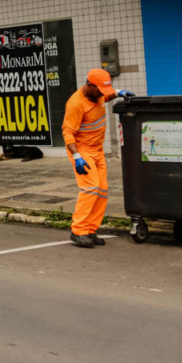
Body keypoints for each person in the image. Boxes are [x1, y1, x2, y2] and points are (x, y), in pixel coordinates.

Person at [63, 68, 134, 248]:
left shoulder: (97, 94)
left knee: (101, 191)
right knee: (90, 188)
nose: (103, 95)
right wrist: (77, 156)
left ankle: (90, 230)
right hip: (82, 151)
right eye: (100, 91)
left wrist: (118, 93)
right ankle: (78, 231)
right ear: (89, 85)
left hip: (97, 150)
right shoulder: (76, 103)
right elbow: (68, 132)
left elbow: (106, 96)